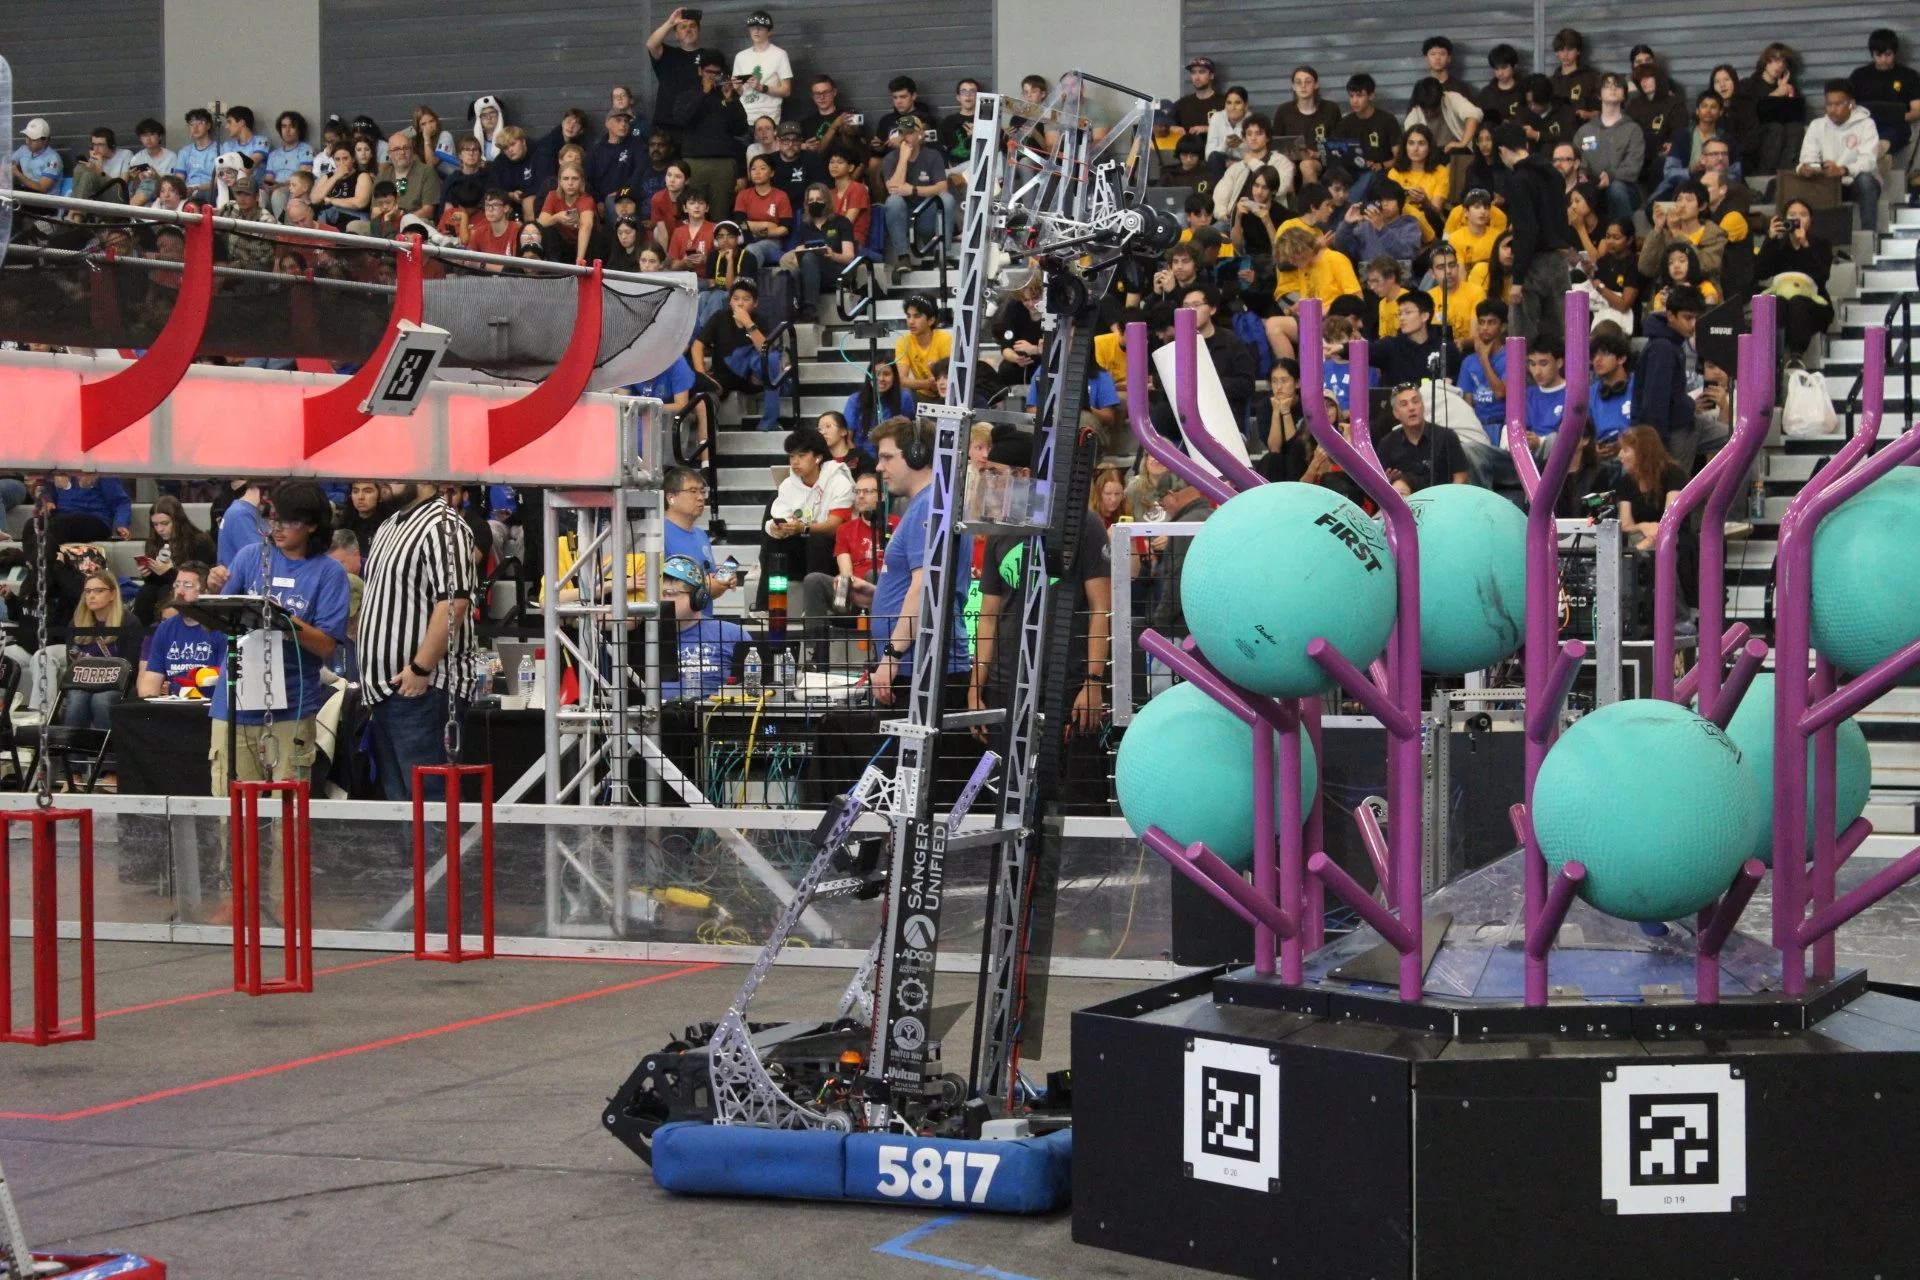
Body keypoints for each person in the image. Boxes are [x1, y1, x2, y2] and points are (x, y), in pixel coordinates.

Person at [204, 482, 351, 793]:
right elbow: (213, 624)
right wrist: (213, 592)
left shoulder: (329, 573)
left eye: (290, 521)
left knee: (289, 816)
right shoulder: (249, 556)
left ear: (312, 525)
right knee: (230, 810)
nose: (278, 528)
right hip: (235, 702)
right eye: (273, 518)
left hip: (292, 705)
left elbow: (326, 645)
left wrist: (284, 620)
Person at [971, 430, 1110, 744]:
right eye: (985, 473)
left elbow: (1101, 608)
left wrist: (1093, 681)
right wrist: (975, 688)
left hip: (1065, 677)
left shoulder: (1083, 524)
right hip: (1005, 679)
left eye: (996, 473)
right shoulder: (1000, 529)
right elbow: (988, 616)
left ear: (1024, 476)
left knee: (1062, 780)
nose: (989, 481)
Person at [358, 482, 480, 802]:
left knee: (430, 805)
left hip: (424, 689)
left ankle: (441, 857)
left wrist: (420, 667)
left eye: (397, 473)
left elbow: (454, 603)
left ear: (425, 475)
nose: (385, 479)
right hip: (389, 691)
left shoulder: (444, 525)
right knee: (402, 806)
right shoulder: (388, 524)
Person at [868, 417, 970, 707]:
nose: (879, 467)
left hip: (919, 667)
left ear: (917, 454)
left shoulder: (929, 506)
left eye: (887, 457)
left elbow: (925, 586)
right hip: (917, 665)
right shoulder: (927, 504)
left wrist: (892, 655)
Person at [760, 425, 854, 613]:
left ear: (818, 457)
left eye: (801, 456)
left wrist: (804, 528)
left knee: (816, 538)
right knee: (774, 544)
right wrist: (778, 529)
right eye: (792, 456)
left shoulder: (839, 480)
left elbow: (835, 526)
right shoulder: (788, 484)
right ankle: (767, 606)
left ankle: (814, 606)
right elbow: (780, 516)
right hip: (800, 554)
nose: (795, 462)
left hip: (830, 556)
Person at [1494, 122, 1571, 341]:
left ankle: (1524, 378)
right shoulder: (1554, 174)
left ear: (1502, 151)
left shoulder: (1518, 180)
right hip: (1559, 261)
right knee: (1560, 338)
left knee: (1522, 340)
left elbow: (1526, 230)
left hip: (1533, 264)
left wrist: (1517, 280)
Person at [59, 571, 143, 731]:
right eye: (88, 591)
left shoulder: (129, 623)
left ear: (112, 594)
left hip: (118, 685)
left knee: (101, 700)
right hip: (85, 683)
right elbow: (72, 664)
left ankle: (110, 751)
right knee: (76, 698)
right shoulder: (76, 624)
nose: (91, 596)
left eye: (98, 591)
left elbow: (131, 667)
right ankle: (74, 753)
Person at [1798, 80, 1883, 236]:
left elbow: (1868, 161)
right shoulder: (1817, 125)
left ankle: (1869, 236)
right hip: (1827, 182)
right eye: (1829, 105)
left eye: (1838, 104)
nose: (1832, 110)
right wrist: (1807, 168)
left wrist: (1843, 170)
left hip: (1855, 183)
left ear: (1851, 104)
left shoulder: (1866, 124)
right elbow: (1807, 157)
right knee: (1800, 181)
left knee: (1865, 180)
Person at [1757, 198, 1835, 359]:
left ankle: (1796, 356)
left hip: (1813, 304)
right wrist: (1770, 239)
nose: (1797, 219)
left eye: (1803, 215)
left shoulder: (1821, 244)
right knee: (1776, 303)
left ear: (1810, 220)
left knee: (1797, 301)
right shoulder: (1778, 245)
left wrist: (1805, 245)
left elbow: (1821, 276)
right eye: (1792, 215)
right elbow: (1760, 272)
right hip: (1782, 304)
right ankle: (1771, 357)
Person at [136, 562, 220, 698]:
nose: (180, 591)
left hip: (208, 706)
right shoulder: (165, 628)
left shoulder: (220, 628)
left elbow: (225, 684)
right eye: (177, 585)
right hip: (174, 705)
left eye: (188, 586)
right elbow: (151, 680)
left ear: (206, 592)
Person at [881, 115, 954, 268]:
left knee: (947, 199)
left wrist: (913, 190)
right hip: (903, 216)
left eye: (909, 132)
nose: (905, 137)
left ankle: (942, 254)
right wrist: (903, 159)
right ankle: (903, 257)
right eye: (901, 133)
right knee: (893, 201)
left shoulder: (933, 155)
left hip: (927, 213)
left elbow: (942, 188)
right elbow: (893, 189)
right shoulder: (890, 159)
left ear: (920, 133)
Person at [133, 495, 216, 625]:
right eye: (155, 524)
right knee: (146, 591)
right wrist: (148, 574)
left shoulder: (200, 542)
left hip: (191, 590)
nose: (160, 529)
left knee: (165, 591)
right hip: (161, 588)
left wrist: (169, 572)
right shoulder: (154, 542)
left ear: (177, 521)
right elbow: (156, 582)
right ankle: (142, 636)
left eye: (165, 523)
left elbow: (201, 580)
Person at [1574, 74, 1644, 224]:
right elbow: (1578, 161)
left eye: (1617, 85)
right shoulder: (1585, 131)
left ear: (1624, 95)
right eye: (1607, 85)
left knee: (1616, 188)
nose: (1613, 88)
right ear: (1599, 94)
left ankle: (1624, 236)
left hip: (1625, 186)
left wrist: (1611, 176)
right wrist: (1581, 175)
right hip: (1592, 184)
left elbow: (1633, 166)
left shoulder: (1633, 129)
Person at [779, 182, 855, 320]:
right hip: (811, 271)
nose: (815, 203)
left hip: (836, 271)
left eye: (819, 200)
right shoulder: (804, 226)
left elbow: (849, 257)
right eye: (811, 200)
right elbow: (799, 253)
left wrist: (833, 255)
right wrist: (797, 259)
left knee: (809, 258)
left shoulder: (841, 222)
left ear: (827, 201)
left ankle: (810, 309)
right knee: (795, 271)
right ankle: (793, 312)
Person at [661, 466, 735, 604]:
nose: (700, 498)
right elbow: (658, 590)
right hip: (676, 622)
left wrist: (720, 583)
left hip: (703, 619)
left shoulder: (702, 535)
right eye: (693, 491)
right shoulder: (659, 535)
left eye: (702, 491)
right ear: (671, 498)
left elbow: (705, 595)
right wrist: (705, 587)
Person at [1376, 383, 1469, 493]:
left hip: (1443, 500)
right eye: (1404, 404)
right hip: (1407, 505)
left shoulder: (1446, 437)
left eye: (1415, 402)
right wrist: (1387, 482)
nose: (1411, 408)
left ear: (1423, 406)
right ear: (1396, 413)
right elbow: (1377, 486)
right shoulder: (1387, 444)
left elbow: (1461, 478)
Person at [1737, 43, 1809, 177]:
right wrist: (1776, 94)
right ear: (1766, 62)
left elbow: (1797, 116)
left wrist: (1790, 95)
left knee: (1795, 128)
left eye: (1783, 62)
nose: (1780, 65)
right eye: (1776, 60)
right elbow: (1749, 114)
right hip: (1756, 138)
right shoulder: (1749, 85)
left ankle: (1787, 175)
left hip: (1782, 139)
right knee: (1775, 128)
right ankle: (1765, 174)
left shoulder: (1788, 86)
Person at [1638, 180, 1726, 288]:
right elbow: (1646, 268)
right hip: (1667, 295)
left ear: (1702, 206)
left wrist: (1676, 232)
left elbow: (1705, 266)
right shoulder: (1666, 233)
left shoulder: (1714, 234)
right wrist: (1657, 229)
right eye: (1679, 200)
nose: (1682, 205)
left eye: (1689, 200)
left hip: (1702, 295)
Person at [1851, 28, 1920, 155]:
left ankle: (1879, 149)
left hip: (1896, 126)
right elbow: (1849, 104)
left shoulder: (1909, 76)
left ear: (1895, 53)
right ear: (1872, 54)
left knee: (1896, 130)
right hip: (1865, 125)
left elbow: (1917, 109)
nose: (1883, 59)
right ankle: (1879, 154)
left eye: (1888, 54)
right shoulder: (1859, 76)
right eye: (1878, 55)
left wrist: (1901, 117)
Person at [734, 10, 793, 125]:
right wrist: (736, 88)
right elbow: (741, 91)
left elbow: (786, 91)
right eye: (753, 28)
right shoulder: (740, 56)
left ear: (769, 31)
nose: (756, 31)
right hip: (745, 116)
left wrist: (762, 87)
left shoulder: (779, 54)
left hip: (769, 117)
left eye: (760, 28)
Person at [843, 359, 916, 452]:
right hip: (862, 458)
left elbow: (909, 435)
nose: (881, 378)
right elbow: (847, 439)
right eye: (876, 373)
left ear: (894, 376)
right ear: (869, 375)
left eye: (886, 374)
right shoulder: (855, 400)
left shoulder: (904, 397)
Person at [1334, 74, 1402, 172]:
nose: (1354, 101)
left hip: (1380, 173)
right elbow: (1338, 155)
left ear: (1371, 96)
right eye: (1351, 96)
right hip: (1353, 172)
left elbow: (1399, 158)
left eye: (1359, 95)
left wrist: (1381, 165)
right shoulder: (1345, 123)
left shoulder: (1387, 120)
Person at [1587, 326, 1635, 450]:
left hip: (1634, 452)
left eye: (1605, 353)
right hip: (1600, 457)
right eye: (1594, 355)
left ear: (1621, 358)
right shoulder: (1589, 394)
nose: (1597, 359)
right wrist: (1593, 449)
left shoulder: (1640, 386)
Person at [894, 296, 951, 398]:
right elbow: (900, 380)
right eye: (908, 316)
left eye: (917, 316)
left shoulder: (944, 340)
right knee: (902, 395)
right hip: (921, 396)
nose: (911, 321)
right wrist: (926, 384)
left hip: (946, 396)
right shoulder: (904, 341)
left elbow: (949, 379)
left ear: (931, 320)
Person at [1273, 66, 1342, 144]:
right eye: (1298, 82)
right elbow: (1277, 145)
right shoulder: (1283, 111)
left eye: (1308, 82)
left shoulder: (1331, 109)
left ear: (1316, 85)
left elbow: (1338, 143)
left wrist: (1317, 154)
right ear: (1293, 87)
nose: (1303, 86)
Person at [1548, 27, 1602, 120]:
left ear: (1578, 51)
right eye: (1561, 50)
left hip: (1586, 129)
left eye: (1569, 49)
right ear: (1556, 52)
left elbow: (1603, 111)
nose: (1565, 54)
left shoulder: (1592, 77)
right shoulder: (1551, 82)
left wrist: (1587, 114)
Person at [1174, 56, 1223, 135]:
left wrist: (1208, 129)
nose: (1197, 77)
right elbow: (1161, 125)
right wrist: (1171, 128)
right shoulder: (1182, 104)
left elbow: (1236, 129)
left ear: (1211, 75)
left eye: (1202, 72)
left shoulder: (1225, 102)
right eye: (1193, 72)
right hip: (1187, 146)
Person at [1205, 87, 1254, 164]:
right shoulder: (1217, 118)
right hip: (1222, 164)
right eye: (1229, 103)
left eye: (1238, 103)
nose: (1233, 107)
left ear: (1246, 105)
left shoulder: (1252, 121)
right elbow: (1209, 155)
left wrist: (1240, 146)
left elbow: (1256, 156)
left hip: (1244, 164)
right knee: (1214, 157)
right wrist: (1225, 145)